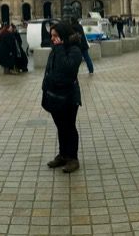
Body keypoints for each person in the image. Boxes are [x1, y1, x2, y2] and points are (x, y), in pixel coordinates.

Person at [41, 22, 85, 174]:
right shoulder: (56, 49)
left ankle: (73, 158)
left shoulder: (74, 50)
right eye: (51, 36)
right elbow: (50, 69)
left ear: (63, 36)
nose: (52, 39)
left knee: (69, 127)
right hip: (54, 95)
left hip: (68, 97)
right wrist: (45, 87)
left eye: (55, 36)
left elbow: (68, 69)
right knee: (61, 127)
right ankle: (63, 154)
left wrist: (59, 49)